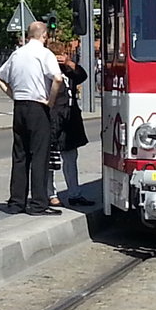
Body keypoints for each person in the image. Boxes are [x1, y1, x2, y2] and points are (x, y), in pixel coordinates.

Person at [0, 20, 63, 215]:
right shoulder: (44, 54)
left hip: (20, 106)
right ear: (44, 36)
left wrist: (13, 94)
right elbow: (57, 78)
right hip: (38, 106)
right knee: (40, 155)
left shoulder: (17, 54)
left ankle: (17, 202)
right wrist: (50, 101)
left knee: (20, 154)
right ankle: (38, 203)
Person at [46, 38, 94, 207]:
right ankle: (50, 194)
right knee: (51, 159)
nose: (61, 57)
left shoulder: (68, 70)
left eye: (63, 54)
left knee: (71, 158)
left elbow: (82, 75)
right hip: (53, 118)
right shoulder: (47, 72)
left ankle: (74, 193)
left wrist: (69, 63)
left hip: (70, 118)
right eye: (58, 55)